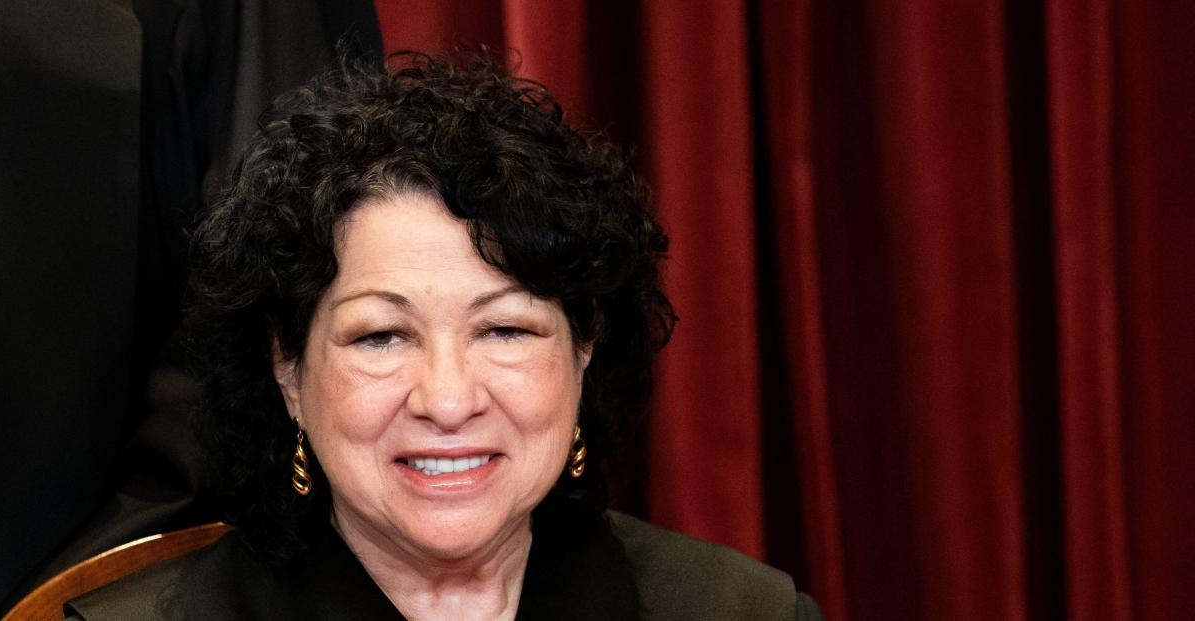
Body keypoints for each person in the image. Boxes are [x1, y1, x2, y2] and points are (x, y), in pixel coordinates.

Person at [65, 51, 824, 620]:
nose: (449, 397)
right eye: (382, 337)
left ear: (583, 347)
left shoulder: (745, 611)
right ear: (287, 366)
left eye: (504, 328)